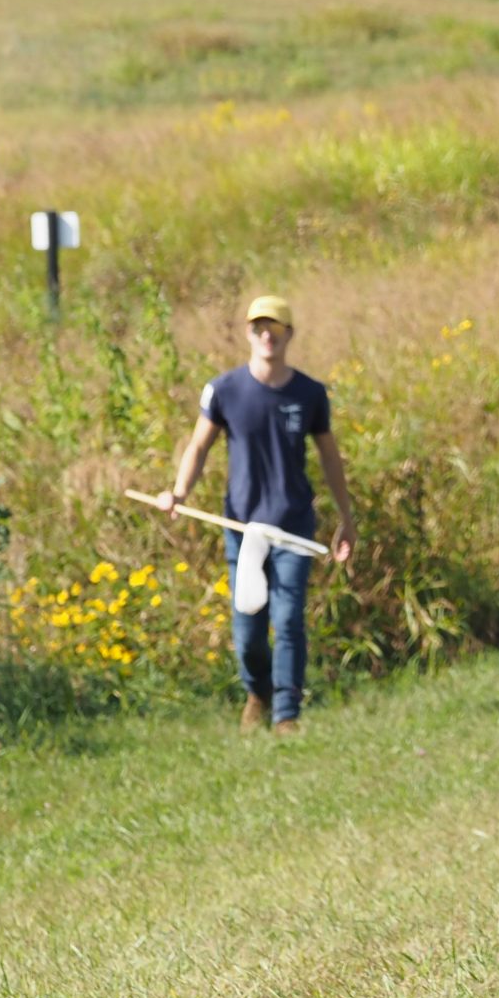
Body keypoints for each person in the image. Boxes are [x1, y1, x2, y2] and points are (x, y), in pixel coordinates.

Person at [154, 295, 355, 734]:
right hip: (242, 528)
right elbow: (199, 446)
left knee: (287, 619)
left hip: (293, 526)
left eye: (276, 328)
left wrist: (346, 516)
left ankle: (286, 714)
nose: (268, 335)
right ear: (248, 333)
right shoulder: (224, 391)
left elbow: (329, 457)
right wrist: (179, 492)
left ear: (289, 335)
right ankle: (258, 691)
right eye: (259, 326)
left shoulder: (310, 394)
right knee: (247, 630)